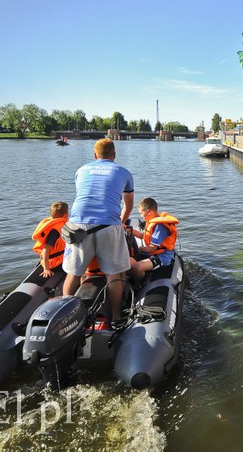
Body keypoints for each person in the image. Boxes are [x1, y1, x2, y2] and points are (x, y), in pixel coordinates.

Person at [62, 139, 134, 324]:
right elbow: (128, 205)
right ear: (114, 155)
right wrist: (119, 223)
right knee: (113, 274)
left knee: (74, 272)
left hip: (78, 226)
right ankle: (117, 317)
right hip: (108, 225)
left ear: (95, 155)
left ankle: (65, 316)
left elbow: (85, 196)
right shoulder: (124, 172)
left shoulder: (81, 170)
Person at [129, 198, 178, 280]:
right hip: (152, 253)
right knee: (129, 260)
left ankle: (140, 285)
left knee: (137, 267)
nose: (140, 215)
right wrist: (129, 229)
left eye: (141, 213)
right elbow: (142, 236)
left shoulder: (160, 227)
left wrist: (140, 248)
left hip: (162, 257)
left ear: (149, 212)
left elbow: (152, 248)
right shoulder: (152, 222)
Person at [31, 201, 69, 278]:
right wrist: (46, 269)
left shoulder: (56, 224)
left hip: (57, 259)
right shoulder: (55, 231)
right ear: (66, 214)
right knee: (80, 266)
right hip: (55, 263)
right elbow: (45, 249)